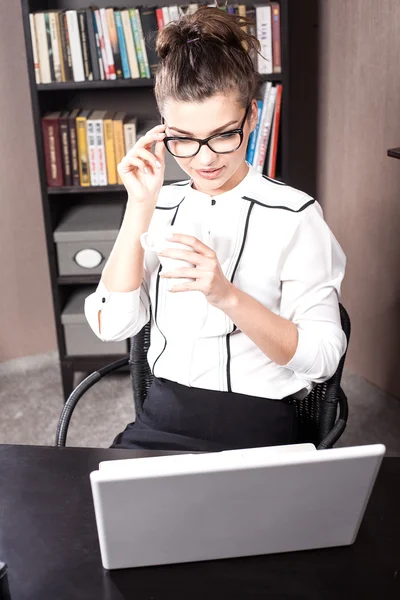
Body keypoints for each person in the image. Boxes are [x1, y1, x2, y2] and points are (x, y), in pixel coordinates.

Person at [84, 6, 347, 452]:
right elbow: (112, 324)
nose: (205, 159)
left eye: (224, 134)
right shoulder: (158, 204)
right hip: (162, 416)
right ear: (163, 131)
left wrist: (227, 295)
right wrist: (139, 205)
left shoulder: (295, 215)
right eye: (183, 139)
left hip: (258, 424)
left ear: (251, 118)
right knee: (97, 518)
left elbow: (321, 360)